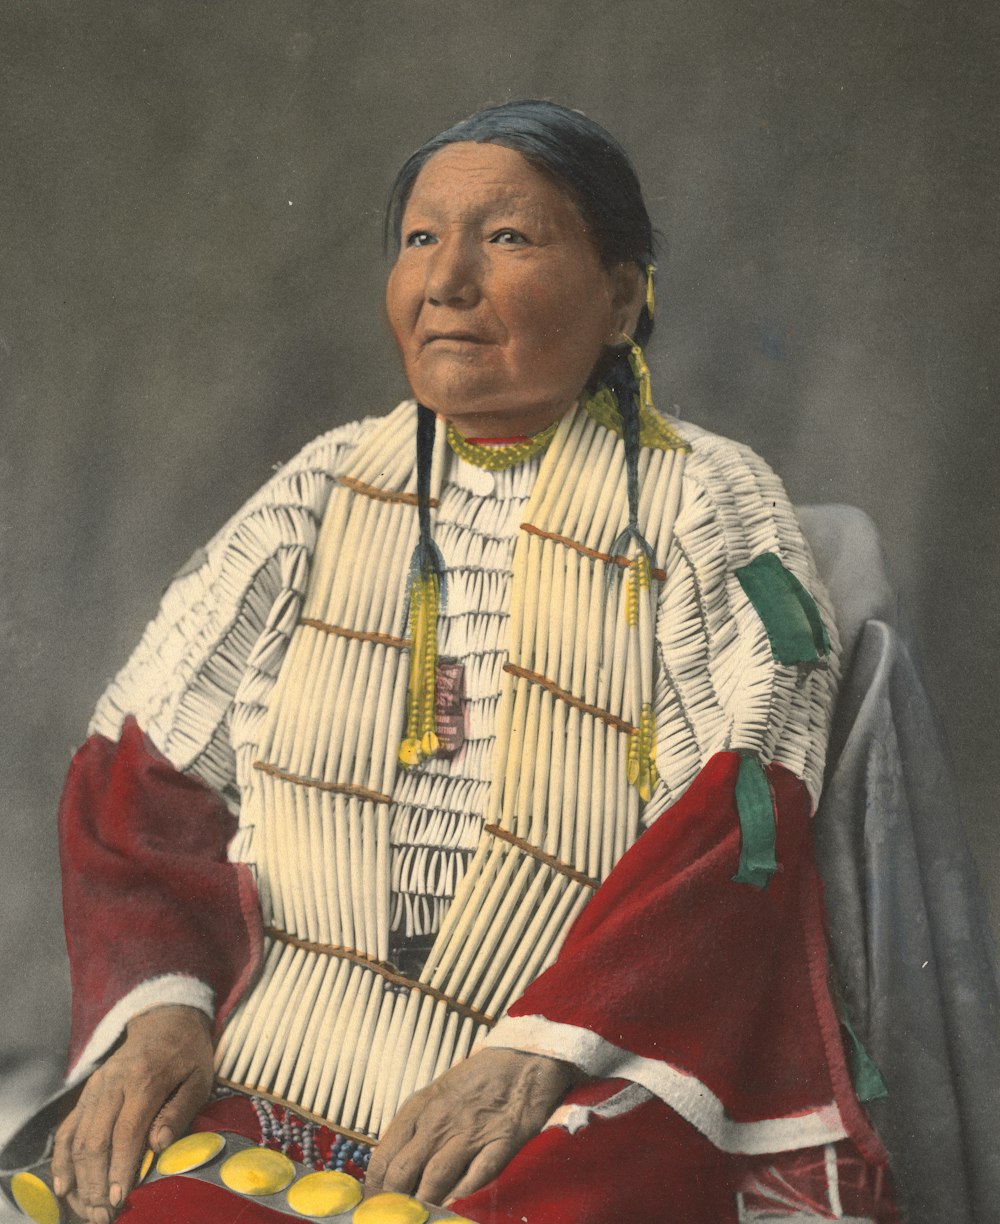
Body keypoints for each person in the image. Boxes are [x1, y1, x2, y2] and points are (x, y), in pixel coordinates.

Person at [4, 101, 902, 1223]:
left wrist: (540, 1050)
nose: (448, 281)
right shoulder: (321, 490)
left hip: (574, 1064)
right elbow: (139, 779)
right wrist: (164, 1015)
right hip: (277, 1048)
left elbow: (744, 823)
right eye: (421, 239)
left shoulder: (710, 507)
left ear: (622, 296)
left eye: (510, 239)